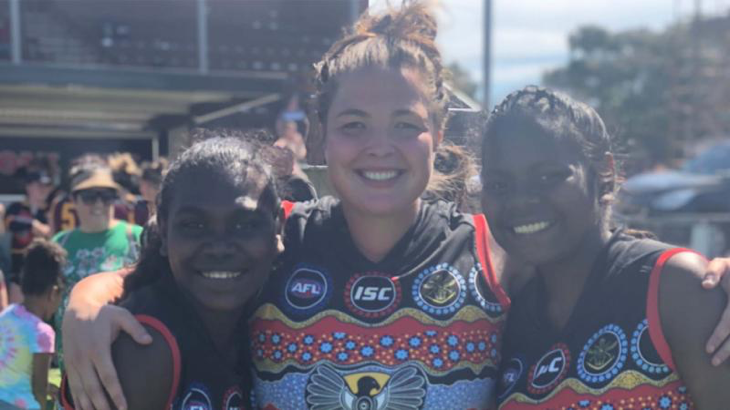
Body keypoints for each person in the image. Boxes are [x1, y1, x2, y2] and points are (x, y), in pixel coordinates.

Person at [58, 3, 730, 410]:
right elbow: (177, 264)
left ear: (438, 135)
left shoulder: (496, 252)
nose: (380, 147)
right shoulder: (275, 241)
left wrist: (715, 274)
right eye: (354, 124)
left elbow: (603, 256)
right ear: (320, 136)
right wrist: (91, 297)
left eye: (404, 123)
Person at [480, 86, 730, 408]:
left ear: (605, 173)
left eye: (547, 178)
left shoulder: (673, 287)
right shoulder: (505, 317)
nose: (521, 201)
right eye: (499, 185)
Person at [59, 136, 284, 409]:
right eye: (194, 225)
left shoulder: (263, 313)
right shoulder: (144, 348)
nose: (219, 248)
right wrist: (83, 304)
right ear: (164, 232)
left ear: (277, 229)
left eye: (245, 224)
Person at [52, 164, 143, 369]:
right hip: (72, 360)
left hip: (127, 358)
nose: (99, 203)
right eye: (90, 197)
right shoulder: (60, 243)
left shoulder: (136, 237)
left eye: (107, 196)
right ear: (73, 200)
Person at [0, 239, 65, 409]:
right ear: (53, 292)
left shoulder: (7, 315)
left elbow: (14, 369)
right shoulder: (42, 333)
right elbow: (39, 389)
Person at [5, 159, 56, 303]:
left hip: (45, 270)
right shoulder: (17, 207)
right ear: (29, 186)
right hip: (20, 270)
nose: (43, 189)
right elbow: (10, 222)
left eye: (46, 186)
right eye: (39, 185)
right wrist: (33, 224)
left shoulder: (50, 210)